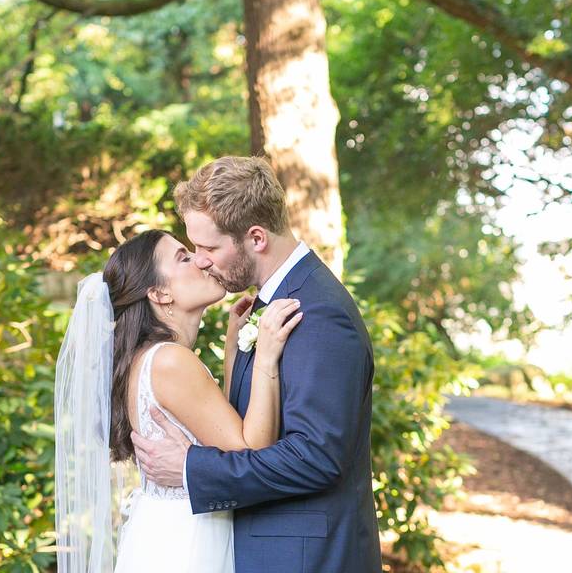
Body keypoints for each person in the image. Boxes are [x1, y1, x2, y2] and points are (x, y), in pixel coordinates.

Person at [132, 156, 383, 573]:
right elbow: (247, 429)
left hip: (305, 559)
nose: (199, 260)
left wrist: (193, 468)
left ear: (256, 238)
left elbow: (316, 457)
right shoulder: (264, 306)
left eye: (209, 247)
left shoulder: (319, 313)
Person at [54, 228, 301, 573]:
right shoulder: (169, 360)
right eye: (183, 257)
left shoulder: (152, 358)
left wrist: (232, 348)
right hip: (188, 543)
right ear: (159, 293)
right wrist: (266, 357)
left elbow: (221, 433)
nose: (200, 260)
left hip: (165, 532)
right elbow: (251, 450)